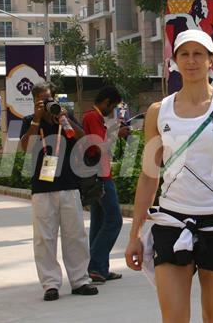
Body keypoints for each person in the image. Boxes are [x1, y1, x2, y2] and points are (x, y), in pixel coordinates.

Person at [124, 29, 213, 323]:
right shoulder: (159, 111)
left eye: (199, 54)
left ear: (212, 61)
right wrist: (135, 234)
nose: (191, 60)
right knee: (173, 318)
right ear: (174, 61)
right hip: (171, 222)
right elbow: (148, 176)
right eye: (184, 54)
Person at [20, 82, 98, 302]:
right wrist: (36, 118)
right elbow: (26, 148)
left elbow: (83, 140)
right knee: (44, 238)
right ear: (35, 101)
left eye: (50, 99)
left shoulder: (65, 117)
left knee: (76, 235)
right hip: (42, 188)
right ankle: (50, 285)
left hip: (69, 184)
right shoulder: (29, 121)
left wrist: (65, 118)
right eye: (42, 101)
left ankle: (80, 280)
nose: (47, 104)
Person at [82, 85, 130, 284]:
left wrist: (112, 130)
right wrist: (116, 135)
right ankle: (95, 265)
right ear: (107, 102)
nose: (113, 110)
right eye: (113, 106)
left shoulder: (96, 118)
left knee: (99, 221)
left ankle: (99, 268)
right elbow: (97, 146)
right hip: (100, 176)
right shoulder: (92, 117)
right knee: (114, 221)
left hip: (98, 173)